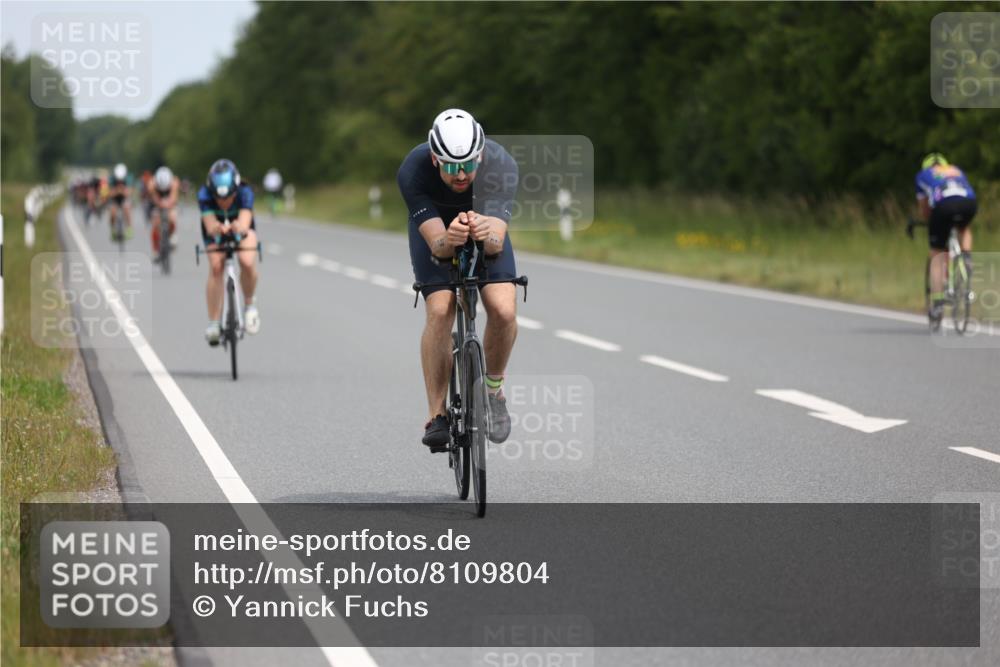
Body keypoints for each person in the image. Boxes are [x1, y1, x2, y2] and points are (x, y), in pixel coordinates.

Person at [397, 108, 519, 448]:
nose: (461, 174)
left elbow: (494, 244)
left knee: (504, 309)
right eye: (451, 166)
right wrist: (449, 239)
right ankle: (437, 414)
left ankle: (493, 393)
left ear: (480, 154)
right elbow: (437, 246)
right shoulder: (413, 170)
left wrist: (484, 232)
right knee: (439, 309)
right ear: (435, 160)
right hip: (437, 228)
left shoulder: (501, 164)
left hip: (485, 225)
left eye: (468, 164)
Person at [197, 159, 261, 344]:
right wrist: (217, 228)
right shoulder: (204, 194)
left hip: (240, 226)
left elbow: (245, 221)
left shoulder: (245, 191)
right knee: (216, 267)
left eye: (228, 197)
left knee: (247, 261)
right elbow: (209, 225)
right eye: (219, 198)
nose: (223, 202)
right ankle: (214, 323)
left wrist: (237, 227)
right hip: (216, 230)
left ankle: (250, 306)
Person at [914, 153, 977, 322]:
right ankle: (966, 257)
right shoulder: (956, 170)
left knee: (937, 253)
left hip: (943, 206)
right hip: (968, 203)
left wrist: (932, 224)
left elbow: (925, 210)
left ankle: (937, 304)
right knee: (964, 228)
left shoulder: (922, 175)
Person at [150, 166, 180, 257]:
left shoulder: (174, 182)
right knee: (155, 223)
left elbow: (174, 198)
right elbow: (154, 198)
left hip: (169, 203)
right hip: (158, 204)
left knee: (173, 217)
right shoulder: (152, 184)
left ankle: (172, 235)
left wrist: (168, 204)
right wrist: (160, 203)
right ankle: (155, 249)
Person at [108, 163, 133, 239]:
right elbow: (109, 193)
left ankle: (129, 228)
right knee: (112, 212)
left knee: (127, 208)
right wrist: (117, 191)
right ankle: (113, 230)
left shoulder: (128, 178)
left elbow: (129, 192)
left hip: (124, 198)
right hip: (115, 199)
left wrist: (121, 191)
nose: (119, 181)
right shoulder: (111, 179)